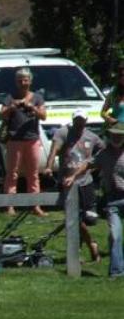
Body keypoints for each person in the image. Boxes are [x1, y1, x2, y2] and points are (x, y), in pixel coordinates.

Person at [45, 109, 104, 262]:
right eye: (76, 120)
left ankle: (85, 244)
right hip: (67, 182)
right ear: (73, 121)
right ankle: (88, 246)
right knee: (74, 218)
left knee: (89, 218)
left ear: (86, 121)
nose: (79, 123)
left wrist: (96, 165)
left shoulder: (92, 137)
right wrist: (49, 166)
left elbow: (103, 152)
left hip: (86, 182)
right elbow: (54, 151)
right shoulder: (63, 133)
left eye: (81, 121)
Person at [0, 67, 47, 216]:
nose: (23, 82)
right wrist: (12, 107)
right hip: (14, 140)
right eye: (20, 80)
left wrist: (31, 107)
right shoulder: (10, 97)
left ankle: (35, 205)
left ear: (30, 81)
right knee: (12, 173)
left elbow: (44, 115)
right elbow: (1, 115)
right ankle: (10, 205)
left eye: (25, 79)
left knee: (33, 173)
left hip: (32, 139)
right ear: (16, 82)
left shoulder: (37, 98)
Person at [95, 125, 124, 278]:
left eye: (120, 136)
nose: (117, 138)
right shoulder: (103, 154)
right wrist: (73, 176)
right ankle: (117, 271)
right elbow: (89, 164)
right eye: (114, 135)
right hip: (112, 199)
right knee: (115, 235)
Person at [101, 61, 124, 128]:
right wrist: (109, 119)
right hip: (117, 130)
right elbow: (103, 113)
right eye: (121, 75)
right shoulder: (114, 92)